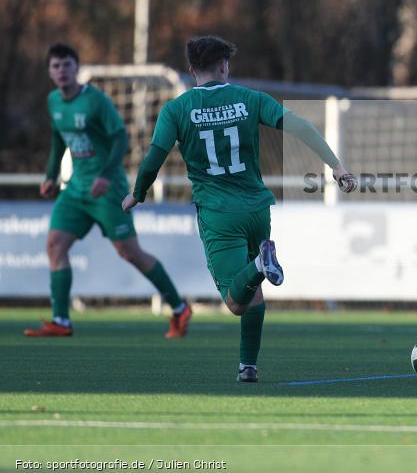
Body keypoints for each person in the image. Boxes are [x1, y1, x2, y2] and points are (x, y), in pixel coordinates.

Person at [122, 35, 357, 382]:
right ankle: (248, 365)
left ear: (191, 70)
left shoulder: (177, 109)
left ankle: (262, 263)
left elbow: (154, 156)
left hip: (219, 214)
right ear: (223, 65)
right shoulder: (249, 99)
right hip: (257, 210)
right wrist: (336, 166)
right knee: (254, 291)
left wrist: (137, 194)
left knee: (235, 301)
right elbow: (302, 126)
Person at [26, 43, 192, 339]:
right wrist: (51, 175)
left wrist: (104, 175)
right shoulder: (53, 101)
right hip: (76, 189)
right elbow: (58, 140)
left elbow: (119, 139)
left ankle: (179, 308)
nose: (62, 71)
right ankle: (61, 320)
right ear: (50, 72)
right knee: (54, 244)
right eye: (56, 66)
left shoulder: (96, 102)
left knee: (130, 253)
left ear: (76, 68)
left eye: (67, 65)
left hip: (108, 189)